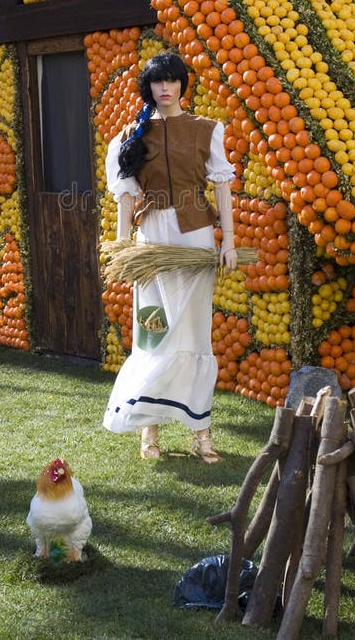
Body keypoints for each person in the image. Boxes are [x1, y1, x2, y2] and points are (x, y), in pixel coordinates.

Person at [103, 53, 237, 463]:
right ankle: (149, 431)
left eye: (173, 81)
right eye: (158, 82)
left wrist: (228, 240)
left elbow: (221, 190)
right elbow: (126, 195)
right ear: (149, 88)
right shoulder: (130, 134)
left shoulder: (206, 130)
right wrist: (124, 248)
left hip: (195, 238)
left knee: (195, 333)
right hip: (151, 241)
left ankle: (201, 432)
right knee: (153, 332)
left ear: (182, 84)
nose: (166, 88)